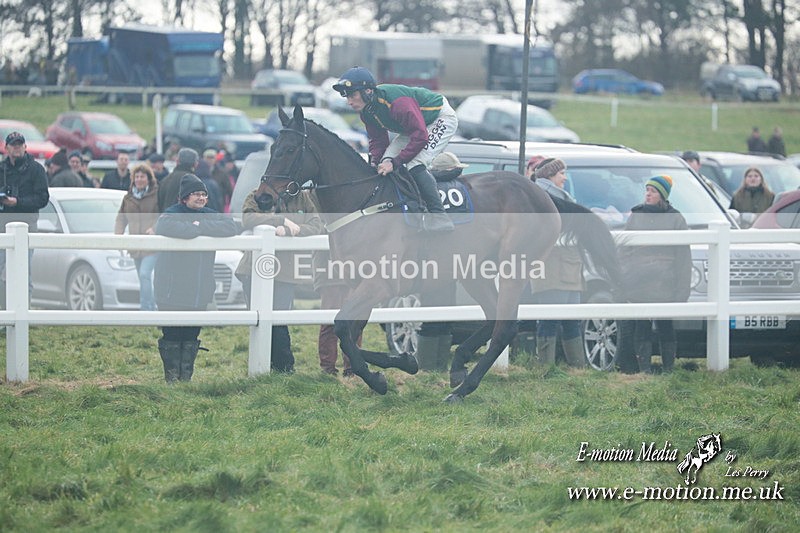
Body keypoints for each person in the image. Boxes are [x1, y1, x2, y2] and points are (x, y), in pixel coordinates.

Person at [332, 66, 455, 232]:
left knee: (414, 163)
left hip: (440, 118)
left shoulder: (398, 104)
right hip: (412, 127)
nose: (349, 101)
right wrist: (376, 163)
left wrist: (396, 162)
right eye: (346, 96)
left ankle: (439, 216)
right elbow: (378, 141)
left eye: (352, 95)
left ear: (368, 91)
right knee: (385, 162)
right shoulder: (366, 112)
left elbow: (420, 137)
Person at [154, 174, 238, 383]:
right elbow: (166, 227)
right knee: (172, 335)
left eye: (204, 194)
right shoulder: (171, 213)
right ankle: (172, 380)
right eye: (196, 194)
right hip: (171, 289)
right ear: (184, 197)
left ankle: (186, 380)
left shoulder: (210, 214)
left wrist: (199, 225)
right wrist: (199, 227)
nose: (201, 198)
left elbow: (230, 227)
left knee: (191, 335)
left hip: (199, 289)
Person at [235, 178, 324, 373]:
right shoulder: (257, 195)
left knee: (279, 320)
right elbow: (248, 218)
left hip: (285, 272)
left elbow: (316, 224)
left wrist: (295, 231)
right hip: (255, 269)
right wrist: (280, 220)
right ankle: (270, 367)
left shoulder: (302, 198)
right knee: (260, 321)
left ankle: (282, 368)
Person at [619, 175, 691, 373]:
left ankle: (668, 369)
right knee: (642, 326)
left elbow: (683, 257)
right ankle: (644, 370)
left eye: (653, 191)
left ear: (662, 195)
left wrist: (682, 290)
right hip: (639, 282)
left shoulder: (676, 218)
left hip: (665, 283)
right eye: (647, 190)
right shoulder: (636, 215)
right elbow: (625, 249)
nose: (648, 194)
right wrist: (626, 276)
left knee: (666, 326)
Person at [529, 158, 586, 368]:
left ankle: (578, 368)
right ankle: (546, 368)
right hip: (551, 265)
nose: (565, 177)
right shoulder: (543, 198)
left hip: (569, 263)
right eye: (561, 173)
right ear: (551, 176)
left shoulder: (562, 196)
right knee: (549, 318)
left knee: (572, 319)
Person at [115, 164, 160, 311]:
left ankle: (146, 309)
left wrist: (154, 228)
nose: (139, 179)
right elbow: (121, 218)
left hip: (151, 244)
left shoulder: (156, 195)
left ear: (149, 179)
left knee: (145, 274)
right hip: (135, 245)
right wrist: (118, 235)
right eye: (137, 177)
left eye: (142, 176)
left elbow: (162, 215)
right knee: (142, 278)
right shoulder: (128, 198)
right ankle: (151, 308)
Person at [158, 148, 198, 213]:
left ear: (177, 161)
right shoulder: (194, 181)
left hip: (166, 220)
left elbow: (159, 205)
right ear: (195, 164)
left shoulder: (165, 180)